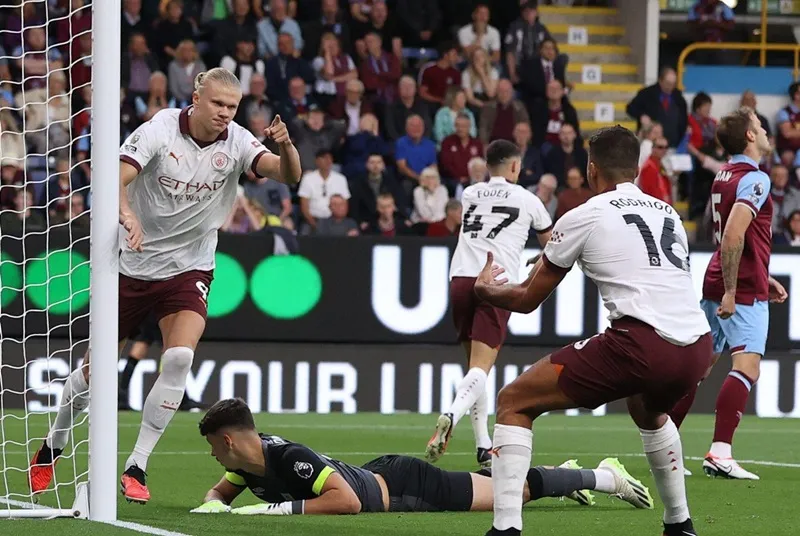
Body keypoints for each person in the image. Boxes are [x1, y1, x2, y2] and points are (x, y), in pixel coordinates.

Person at [28, 67, 302, 504]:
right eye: (217, 104)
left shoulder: (237, 140)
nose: (224, 115)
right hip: (130, 265)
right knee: (93, 372)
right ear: (196, 97)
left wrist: (286, 147)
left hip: (188, 268)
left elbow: (287, 175)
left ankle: (136, 463)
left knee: (177, 358)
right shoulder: (160, 128)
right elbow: (114, 177)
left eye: (232, 107)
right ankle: (53, 443)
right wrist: (128, 214)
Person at [474, 126, 713, 536]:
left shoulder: (585, 214)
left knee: (514, 400)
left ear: (591, 169)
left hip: (642, 344)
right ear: (636, 169)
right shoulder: (668, 212)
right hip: (697, 346)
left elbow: (528, 300)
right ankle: (680, 524)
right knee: (647, 409)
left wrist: (486, 292)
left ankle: (505, 529)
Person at [191, 399, 652, 515]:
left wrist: (275, 510)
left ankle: (601, 475)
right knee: (500, 487)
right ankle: (565, 474)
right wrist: (214, 501)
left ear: (228, 440)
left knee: (512, 495)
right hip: (383, 476)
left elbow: (347, 502)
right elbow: (222, 492)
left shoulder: (289, 457)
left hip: (408, 487)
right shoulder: (244, 464)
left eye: (212, 445)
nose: (211, 456)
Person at [670, 108, 788, 480]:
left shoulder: (724, 174)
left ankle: (665, 448)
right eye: (760, 125)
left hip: (718, 279)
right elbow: (735, 234)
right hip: (738, 288)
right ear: (750, 137)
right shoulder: (756, 179)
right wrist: (737, 289)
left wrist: (757, 275)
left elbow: (736, 239)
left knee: (700, 367)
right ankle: (720, 452)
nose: (766, 130)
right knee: (747, 367)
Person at [425, 140, 552, 468]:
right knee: (481, 369)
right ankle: (451, 414)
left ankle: (483, 446)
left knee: (474, 370)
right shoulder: (529, 199)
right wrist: (540, 259)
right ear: (514, 167)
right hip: (495, 282)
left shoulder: (469, 193)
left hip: (461, 280)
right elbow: (551, 246)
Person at [118, 313, 207, 412]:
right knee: (169, 349)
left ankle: (121, 397)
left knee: (141, 348)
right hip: (160, 313)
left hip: (149, 312)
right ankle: (181, 399)